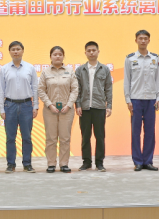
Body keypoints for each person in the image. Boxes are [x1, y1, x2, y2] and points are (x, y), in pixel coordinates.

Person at [124, 30, 159, 172]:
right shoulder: (130, 59)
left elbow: (158, 79)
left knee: (150, 132)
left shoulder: (155, 58)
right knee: (135, 132)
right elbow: (127, 80)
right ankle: (138, 161)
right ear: (136, 40)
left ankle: (148, 161)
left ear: (149, 40)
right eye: (140, 38)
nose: (143, 41)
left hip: (151, 99)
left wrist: (158, 97)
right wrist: (128, 99)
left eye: (146, 38)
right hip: (135, 99)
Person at [0, 41, 39, 173]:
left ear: (22, 51)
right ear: (9, 52)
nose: (15, 51)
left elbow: (35, 88)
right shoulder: (4, 69)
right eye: (13, 49)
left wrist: (35, 106)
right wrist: (2, 108)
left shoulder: (30, 68)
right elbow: (1, 89)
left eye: (18, 49)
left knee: (26, 137)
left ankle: (27, 164)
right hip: (9, 105)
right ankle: (11, 164)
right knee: (10, 138)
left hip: (26, 105)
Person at [38, 46, 79, 173]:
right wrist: (50, 105)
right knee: (51, 138)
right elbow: (41, 90)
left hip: (67, 110)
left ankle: (64, 164)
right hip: (50, 110)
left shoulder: (70, 71)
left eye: (60, 54)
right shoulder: (45, 72)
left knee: (65, 138)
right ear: (50, 57)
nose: (57, 56)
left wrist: (69, 105)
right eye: (55, 54)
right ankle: (51, 164)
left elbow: (75, 90)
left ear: (63, 56)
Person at [75, 41, 113, 172]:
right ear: (85, 53)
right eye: (89, 51)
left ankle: (99, 162)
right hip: (84, 108)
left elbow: (108, 88)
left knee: (100, 136)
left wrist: (109, 105)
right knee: (85, 137)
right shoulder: (80, 70)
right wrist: (78, 104)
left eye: (93, 50)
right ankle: (86, 162)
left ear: (98, 52)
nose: (91, 52)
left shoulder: (105, 69)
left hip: (99, 107)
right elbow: (77, 89)